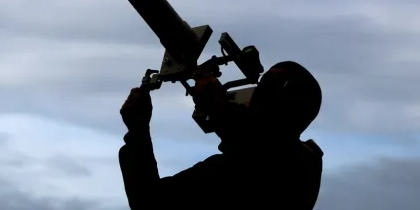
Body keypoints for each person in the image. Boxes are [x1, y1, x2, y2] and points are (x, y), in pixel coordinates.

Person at [118, 61, 323, 210]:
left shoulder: (282, 166)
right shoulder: (302, 167)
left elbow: (148, 202)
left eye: (267, 87)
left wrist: (138, 131)